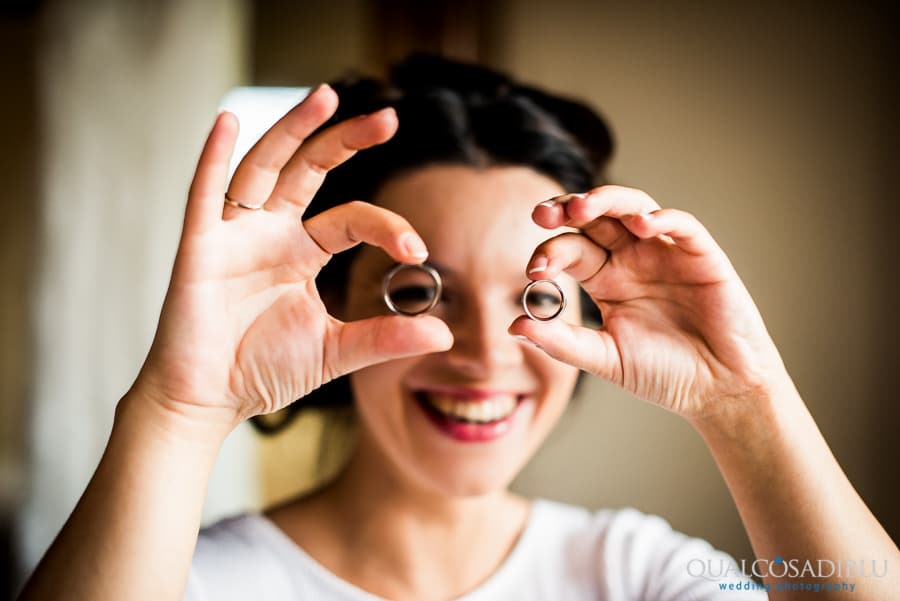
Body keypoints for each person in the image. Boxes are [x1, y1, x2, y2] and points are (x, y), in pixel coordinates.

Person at [19, 55, 898, 601]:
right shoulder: (188, 582)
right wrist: (178, 411)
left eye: (538, 297)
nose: (485, 353)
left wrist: (746, 403)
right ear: (332, 300)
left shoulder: (636, 574)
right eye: (421, 290)